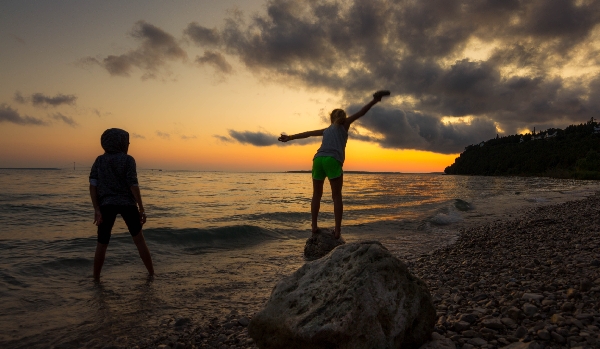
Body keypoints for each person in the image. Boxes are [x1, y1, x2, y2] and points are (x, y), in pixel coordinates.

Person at [278, 90, 390, 239]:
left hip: (318, 159)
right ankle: (337, 231)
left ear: (331, 119)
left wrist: (289, 137)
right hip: (332, 160)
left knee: (316, 195)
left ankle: (314, 227)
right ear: (343, 118)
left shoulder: (326, 130)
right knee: (336, 196)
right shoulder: (345, 125)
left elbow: (307, 134)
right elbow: (362, 112)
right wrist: (375, 100)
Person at [89, 128, 154, 280]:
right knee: (139, 241)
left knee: (102, 243)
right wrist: (141, 208)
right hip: (128, 204)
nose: (128, 144)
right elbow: (133, 185)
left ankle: (96, 279)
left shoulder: (99, 160)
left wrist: (97, 208)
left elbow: (93, 186)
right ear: (120, 142)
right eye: (127, 141)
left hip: (106, 204)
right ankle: (151, 274)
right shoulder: (128, 160)